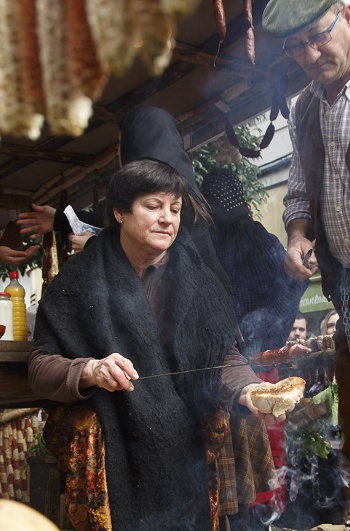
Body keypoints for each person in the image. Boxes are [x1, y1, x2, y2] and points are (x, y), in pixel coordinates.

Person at [28, 159, 285, 531]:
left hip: (182, 425)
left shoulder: (196, 276)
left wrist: (249, 389)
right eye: (153, 206)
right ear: (119, 211)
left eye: (175, 209)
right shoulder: (82, 277)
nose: (168, 218)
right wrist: (89, 370)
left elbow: (221, 354)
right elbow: (39, 366)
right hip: (116, 420)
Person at [262, 0, 350, 463]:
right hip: (345, 285)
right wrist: (298, 236)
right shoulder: (303, 109)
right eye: (296, 47)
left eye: (319, 36)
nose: (312, 55)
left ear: (347, 14)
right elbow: (297, 194)